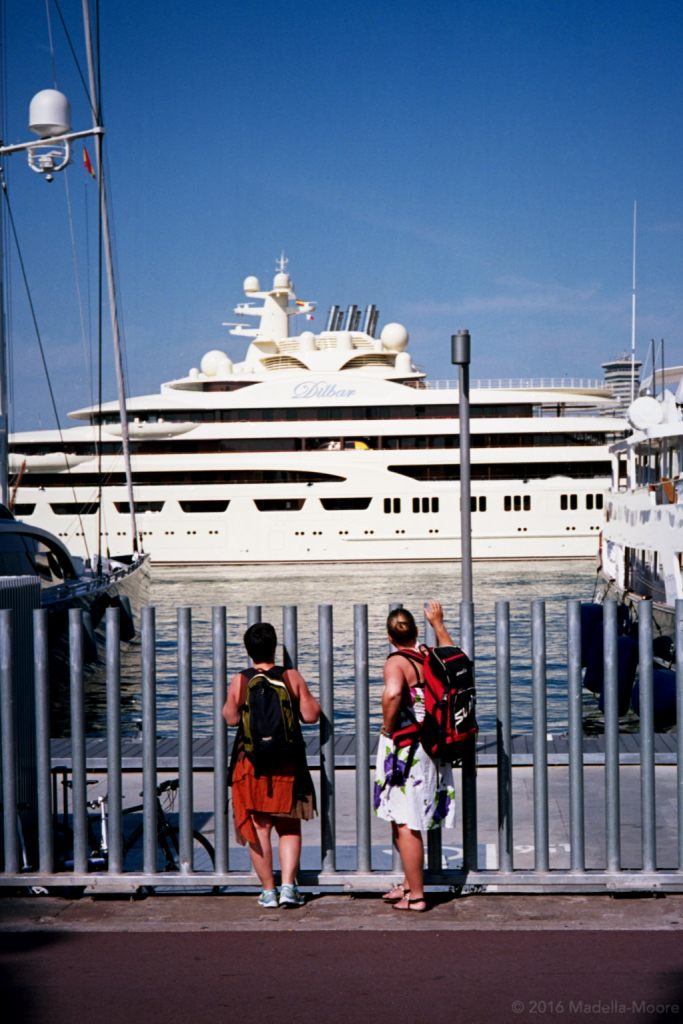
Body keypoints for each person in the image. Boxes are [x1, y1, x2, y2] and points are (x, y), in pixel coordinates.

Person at [223, 622, 320, 908]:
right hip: (286, 762)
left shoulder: (241, 679)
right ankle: (289, 887)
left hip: (252, 764)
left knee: (259, 826)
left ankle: (268, 891)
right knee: (288, 827)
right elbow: (311, 716)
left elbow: (230, 718)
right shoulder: (291, 677)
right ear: (274, 647)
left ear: (248, 650)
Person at [373, 600, 457, 912]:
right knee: (403, 816)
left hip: (406, 748)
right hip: (430, 744)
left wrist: (387, 724)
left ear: (389, 636)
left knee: (407, 822)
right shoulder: (428, 655)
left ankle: (417, 895)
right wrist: (438, 624)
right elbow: (454, 657)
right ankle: (408, 884)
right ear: (416, 631)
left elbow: (394, 693)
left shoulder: (396, 662)